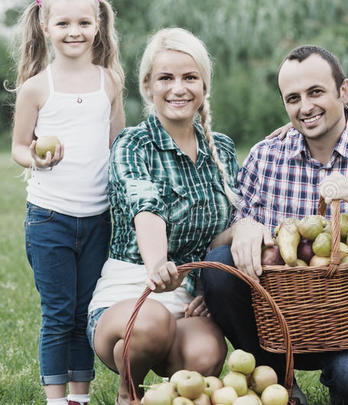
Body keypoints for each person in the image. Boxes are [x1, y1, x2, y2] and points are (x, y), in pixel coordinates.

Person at [201, 45, 348, 405]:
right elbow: (218, 245)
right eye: (293, 98)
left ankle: (343, 381)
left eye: (316, 92)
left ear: (343, 91)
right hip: (281, 322)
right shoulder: (266, 156)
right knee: (221, 265)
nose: (305, 107)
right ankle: (280, 383)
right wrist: (244, 226)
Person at [86, 27, 239, 405]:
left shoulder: (221, 148)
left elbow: (223, 232)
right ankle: (129, 394)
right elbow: (146, 205)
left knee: (206, 354)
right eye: (166, 78)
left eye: (190, 78)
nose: (178, 89)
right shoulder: (134, 143)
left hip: (184, 299)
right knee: (152, 323)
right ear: (148, 86)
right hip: (131, 294)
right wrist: (157, 264)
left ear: (204, 85)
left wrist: (205, 285)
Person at [10, 0, 124, 404]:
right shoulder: (37, 87)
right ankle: (56, 399)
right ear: (45, 26)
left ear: (97, 26)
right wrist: (37, 153)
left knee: (83, 313)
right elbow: (20, 148)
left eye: (83, 22)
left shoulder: (108, 82)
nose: (73, 31)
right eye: (63, 23)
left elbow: (117, 146)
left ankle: (81, 396)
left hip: (97, 218)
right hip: (49, 218)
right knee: (58, 313)